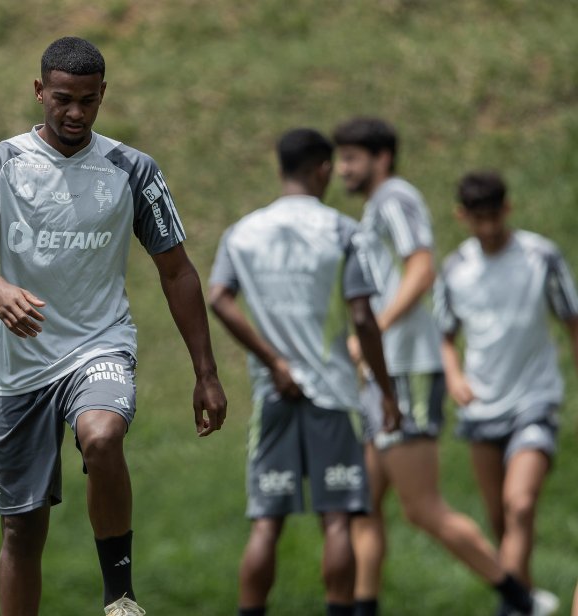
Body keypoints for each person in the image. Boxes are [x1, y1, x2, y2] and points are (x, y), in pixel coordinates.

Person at [0, 36, 227, 616]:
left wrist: (206, 373)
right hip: (20, 368)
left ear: (103, 97)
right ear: (39, 91)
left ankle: (119, 596)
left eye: (89, 101)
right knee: (22, 533)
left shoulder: (132, 169)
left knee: (102, 435)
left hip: (100, 345)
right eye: (63, 99)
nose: (75, 113)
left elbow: (177, 272)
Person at [332, 118, 548, 616]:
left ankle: (521, 599)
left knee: (421, 508)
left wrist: (374, 333)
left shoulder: (395, 198)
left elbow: (422, 267)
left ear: (381, 158)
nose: (342, 167)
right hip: (382, 372)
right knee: (359, 506)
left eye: (352, 157)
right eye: (340, 157)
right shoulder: (376, 208)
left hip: (404, 369)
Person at [208, 127, 400, 616]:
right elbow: (362, 317)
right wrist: (386, 389)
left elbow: (219, 299)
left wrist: (273, 361)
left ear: (280, 170)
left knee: (266, 523)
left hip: (274, 393)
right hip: (333, 395)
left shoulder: (243, 231)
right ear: (323, 170)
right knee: (337, 520)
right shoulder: (341, 231)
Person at [436, 170, 575, 616]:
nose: (489, 228)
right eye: (479, 219)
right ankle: (525, 598)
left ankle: (510, 611)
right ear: (463, 217)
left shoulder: (541, 256)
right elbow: (444, 336)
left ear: (508, 209)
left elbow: (572, 320)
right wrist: (454, 376)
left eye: (495, 216)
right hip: (481, 407)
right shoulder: (456, 269)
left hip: (534, 399)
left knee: (520, 505)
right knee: (500, 519)